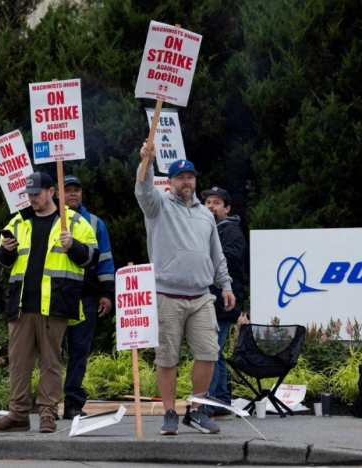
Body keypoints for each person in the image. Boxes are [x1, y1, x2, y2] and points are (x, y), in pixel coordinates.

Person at [0, 172, 99, 434]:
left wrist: (74, 246)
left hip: (56, 303)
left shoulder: (73, 221)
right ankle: (18, 414)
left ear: (51, 192)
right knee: (18, 362)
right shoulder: (18, 221)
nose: (32, 199)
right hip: (21, 305)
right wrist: (5, 249)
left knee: (51, 362)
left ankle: (47, 414)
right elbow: (1, 260)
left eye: (37, 194)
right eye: (29, 194)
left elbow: (92, 258)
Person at [135, 144, 235, 436]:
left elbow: (217, 254)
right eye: (180, 177)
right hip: (167, 294)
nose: (186, 182)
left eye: (190, 177)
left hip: (202, 295)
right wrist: (147, 162)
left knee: (208, 353)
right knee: (167, 357)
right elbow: (143, 189)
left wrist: (225, 285)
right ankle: (169, 413)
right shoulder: (158, 205)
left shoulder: (206, 215)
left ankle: (196, 411)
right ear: (170, 182)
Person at [61, 175, 115, 419]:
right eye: (68, 190)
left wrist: (106, 293)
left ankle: (73, 404)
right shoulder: (50, 219)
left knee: (79, 350)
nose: (73, 194)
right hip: (56, 297)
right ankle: (48, 404)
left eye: (77, 190)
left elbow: (105, 260)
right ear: (57, 194)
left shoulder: (94, 222)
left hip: (85, 296)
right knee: (52, 352)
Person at [200, 186, 246, 420]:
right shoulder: (207, 230)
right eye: (207, 202)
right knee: (214, 352)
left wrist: (201, 257)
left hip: (222, 303)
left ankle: (212, 404)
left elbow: (227, 260)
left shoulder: (231, 231)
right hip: (209, 301)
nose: (211, 206)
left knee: (211, 351)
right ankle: (219, 402)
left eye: (216, 203)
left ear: (227, 209)